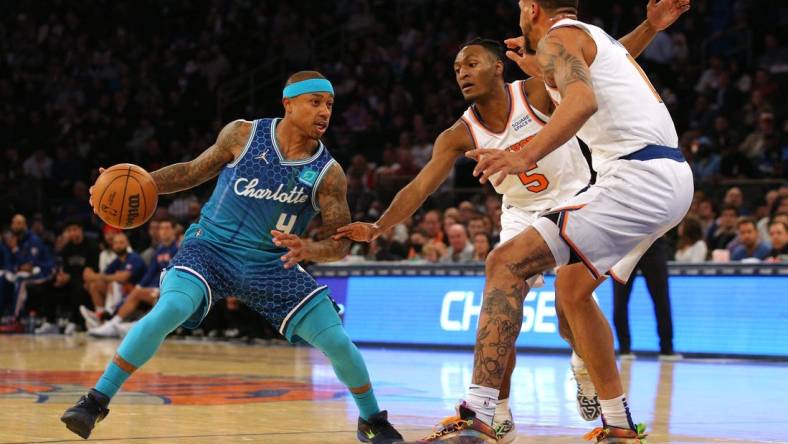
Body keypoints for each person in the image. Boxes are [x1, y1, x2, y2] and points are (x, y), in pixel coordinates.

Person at [336, 1, 688, 440]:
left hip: (588, 191)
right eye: (456, 65)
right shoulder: (460, 132)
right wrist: (379, 226)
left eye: (471, 62)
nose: (461, 71)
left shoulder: (537, 88)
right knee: (539, 296)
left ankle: (501, 404)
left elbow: (592, 78)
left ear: (501, 65)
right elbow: (421, 186)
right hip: (532, 209)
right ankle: (513, 414)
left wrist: (522, 153)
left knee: (542, 293)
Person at [61, 71, 402, 443]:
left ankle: (372, 420)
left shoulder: (328, 173)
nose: (325, 112)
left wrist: (310, 249)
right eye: (315, 102)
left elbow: (340, 242)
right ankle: (94, 402)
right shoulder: (243, 134)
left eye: (330, 105)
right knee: (171, 308)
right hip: (210, 248)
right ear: (288, 104)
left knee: (337, 342)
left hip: (271, 264)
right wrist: (128, 182)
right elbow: (192, 172)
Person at [445, 0, 693, 441]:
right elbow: (610, 64)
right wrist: (649, 27)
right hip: (668, 178)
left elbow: (582, 98)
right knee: (573, 291)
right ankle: (618, 424)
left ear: (531, 9)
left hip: (636, 177)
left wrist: (524, 154)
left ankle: (481, 414)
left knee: (505, 263)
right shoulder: (587, 39)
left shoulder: (561, 39)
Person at [88, 218, 179, 338]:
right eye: (161, 228)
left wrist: (153, 288)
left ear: (174, 231)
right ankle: (113, 321)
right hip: (154, 289)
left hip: (170, 290)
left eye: (167, 228)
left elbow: (175, 274)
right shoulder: (159, 250)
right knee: (135, 291)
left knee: (133, 291)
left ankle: (114, 322)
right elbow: (150, 273)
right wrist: (139, 286)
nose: (164, 231)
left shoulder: (178, 249)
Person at [613, 238, 680, 360]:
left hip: (651, 241)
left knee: (661, 299)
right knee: (620, 300)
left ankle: (666, 349)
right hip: (625, 246)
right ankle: (624, 349)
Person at [28, 219, 100, 334]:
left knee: (76, 286)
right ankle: (50, 322)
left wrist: (70, 276)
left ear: (81, 230)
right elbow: (65, 269)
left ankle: (74, 321)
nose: (73, 233)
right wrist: (61, 277)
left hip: (86, 280)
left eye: (75, 229)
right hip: (71, 279)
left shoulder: (92, 246)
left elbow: (92, 269)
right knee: (49, 284)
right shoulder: (67, 248)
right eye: (70, 230)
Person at [0, 214, 54, 333]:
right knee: (3, 278)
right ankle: (4, 315)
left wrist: (15, 250)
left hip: (43, 271)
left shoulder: (33, 240)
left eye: (20, 223)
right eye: (15, 223)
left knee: (21, 281)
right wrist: (15, 267)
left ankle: (16, 320)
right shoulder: (10, 240)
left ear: (25, 225)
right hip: (21, 272)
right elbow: (8, 263)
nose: (17, 225)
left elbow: (29, 265)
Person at [80, 233, 147, 328]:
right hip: (122, 294)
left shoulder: (134, 258)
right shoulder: (117, 261)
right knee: (95, 284)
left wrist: (95, 276)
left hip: (135, 292)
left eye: (121, 242)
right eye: (116, 243)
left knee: (114, 282)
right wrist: (91, 277)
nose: (118, 246)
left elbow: (123, 277)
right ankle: (100, 316)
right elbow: (105, 275)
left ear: (127, 244)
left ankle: (107, 316)